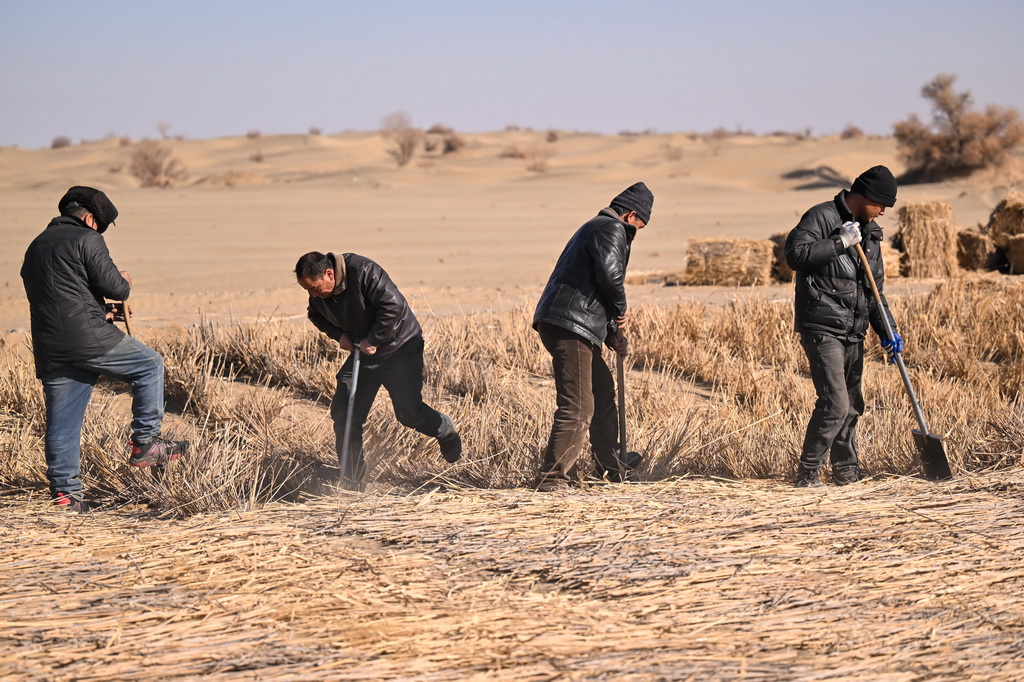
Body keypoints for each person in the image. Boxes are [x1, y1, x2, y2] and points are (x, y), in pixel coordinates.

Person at [21, 186, 189, 513]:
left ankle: (66, 497)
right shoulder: (87, 239)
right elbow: (116, 287)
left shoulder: (36, 245)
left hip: (51, 345)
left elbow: (61, 295)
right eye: (101, 226)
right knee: (149, 364)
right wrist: (124, 280)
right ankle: (145, 443)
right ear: (89, 219)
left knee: (63, 423)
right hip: (88, 338)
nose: (100, 232)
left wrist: (102, 311)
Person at [295, 251, 462, 489]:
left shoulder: (363, 271)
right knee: (345, 413)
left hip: (400, 348)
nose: (312, 295)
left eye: (314, 288)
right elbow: (315, 314)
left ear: (329, 274)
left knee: (408, 414)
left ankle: (444, 428)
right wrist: (339, 335)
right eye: (307, 290)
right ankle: (352, 480)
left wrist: (374, 339)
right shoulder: (319, 296)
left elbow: (393, 307)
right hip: (363, 354)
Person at [784, 166, 902, 487]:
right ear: (865, 196)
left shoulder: (871, 233)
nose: (883, 212)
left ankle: (846, 474)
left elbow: (874, 291)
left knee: (851, 406)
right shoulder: (821, 217)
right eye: (881, 205)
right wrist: (840, 242)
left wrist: (888, 332)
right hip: (822, 325)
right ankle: (808, 474)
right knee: (835, 403)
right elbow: (795, 255)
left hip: (854, 329)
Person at [532, 182, 653, 491]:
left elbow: (596, 284)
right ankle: (552, 478)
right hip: (570, 325)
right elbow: (610, 278)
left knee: (602, 392)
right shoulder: (611, 228)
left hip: (572, 323)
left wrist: (611, 334)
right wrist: (621, 311)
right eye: (638, 227)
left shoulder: (596, 227)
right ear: (631, 216)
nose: (636, 234)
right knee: (579, 406)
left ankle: (611, 467)